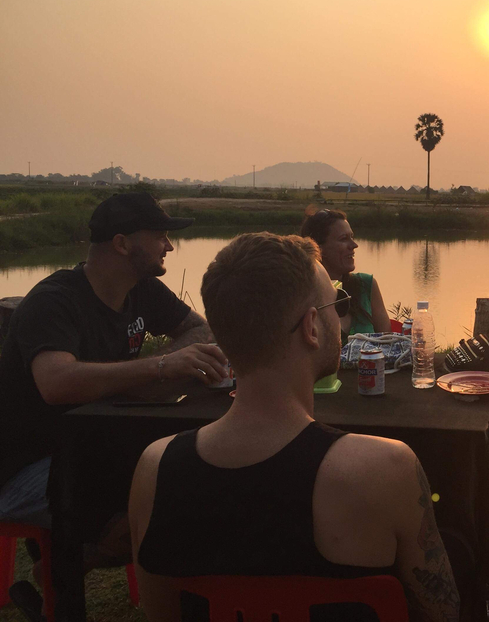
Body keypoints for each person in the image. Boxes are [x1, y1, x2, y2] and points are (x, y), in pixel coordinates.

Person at [128, 232, 459, 622]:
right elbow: (442, 612)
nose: (340, 314)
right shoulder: (387, 468)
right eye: (337, 303)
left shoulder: (155, 468)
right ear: (312, 326)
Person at [0, 192, 227, 530]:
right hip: (25, 470)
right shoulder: (53, 301)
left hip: (90, 446)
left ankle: (82, 560)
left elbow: (200, 329)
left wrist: (166, 363)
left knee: (183, 472)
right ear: (122, 244)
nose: (169, 246)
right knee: (159, 498)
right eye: (160, 237)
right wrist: (160, 368)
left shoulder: (141, 288)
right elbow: (55, 382)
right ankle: (68, 569)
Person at [300, 208, 392, 343]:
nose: (354, 245)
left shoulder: (366, 285)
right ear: (318, 248)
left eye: (352, 237)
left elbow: (387, 344)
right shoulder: (302, 293)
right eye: (343, 239)